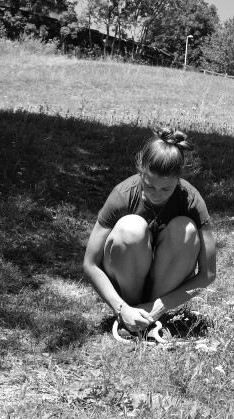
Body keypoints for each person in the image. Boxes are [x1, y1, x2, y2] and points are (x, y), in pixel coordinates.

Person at [83, 127, 216, 338]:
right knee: (131, 227)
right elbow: (90, 263)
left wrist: (158, 307)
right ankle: (131, 311)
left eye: (166, 189)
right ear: (141, 171)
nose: (156, 194)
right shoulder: (123, 194)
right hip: (124, 281)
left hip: (163, 288)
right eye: (149, 185)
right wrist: (121, 308)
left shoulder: (191, 199)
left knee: (186, 229)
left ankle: (150, 318)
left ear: (178, 180)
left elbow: (208, 274)